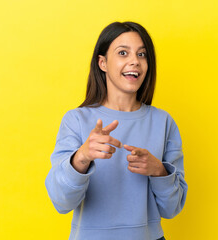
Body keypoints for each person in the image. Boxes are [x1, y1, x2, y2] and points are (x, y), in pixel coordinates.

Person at [45, 21, 188, 240]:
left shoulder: (163, 122)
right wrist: (82, 157)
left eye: (142, 55)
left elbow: (172, 208)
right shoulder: (76, 120)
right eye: (123, 53)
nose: (135, 62)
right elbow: (61, 202)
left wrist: (159, 171)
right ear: (102, 63)